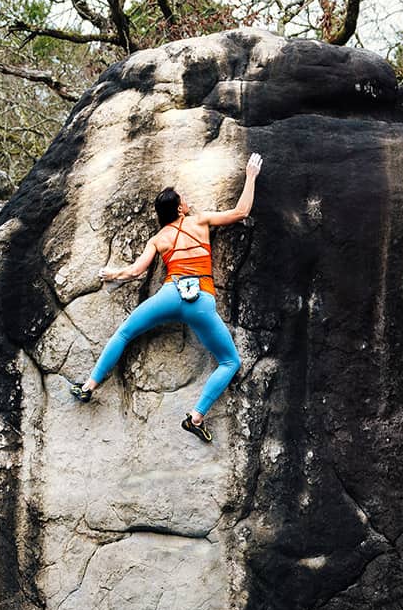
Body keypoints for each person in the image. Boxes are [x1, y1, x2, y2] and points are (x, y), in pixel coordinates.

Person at [71, 153, 263, 442]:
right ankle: (196, 417)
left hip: (170, 293)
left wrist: (113, 274)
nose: (187, 202)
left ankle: (88, 386)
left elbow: (136, 271)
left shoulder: (158, 238)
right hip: (200, 301)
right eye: (183, 200)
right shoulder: (200, 222)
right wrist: (250, 176)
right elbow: (240, 212)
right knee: (229, 361)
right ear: (180, 208)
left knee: (124, 333)